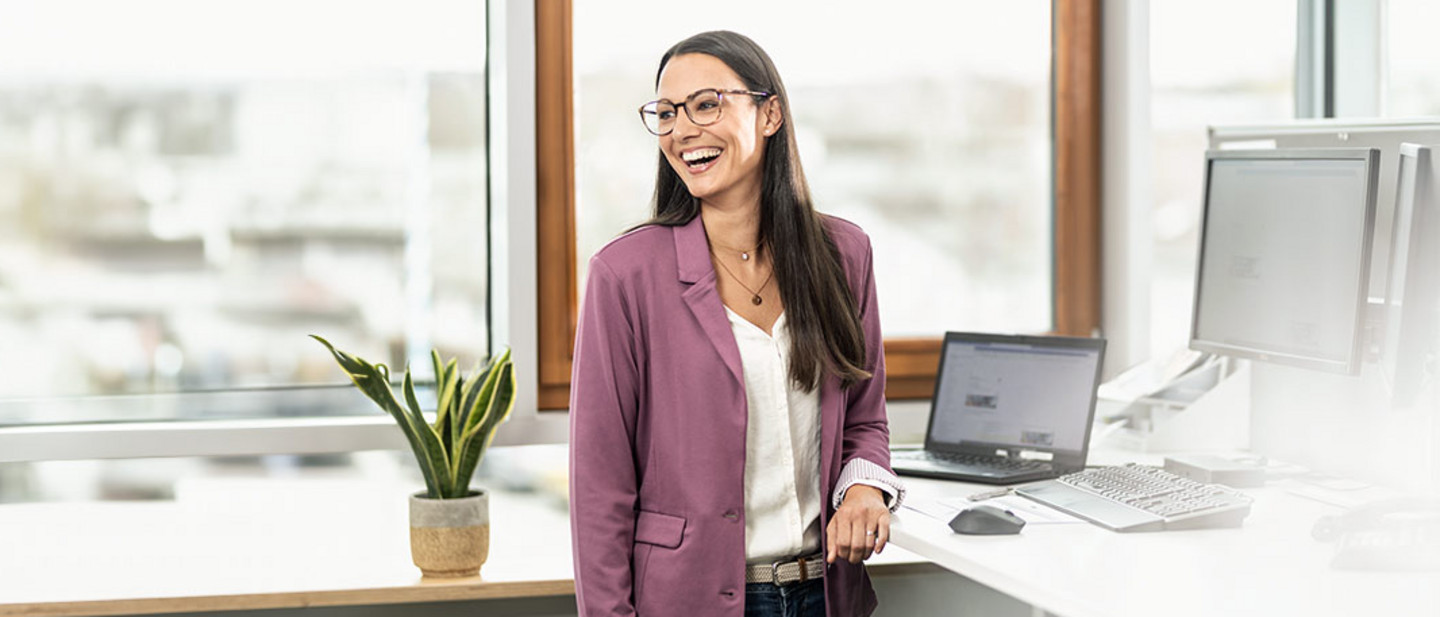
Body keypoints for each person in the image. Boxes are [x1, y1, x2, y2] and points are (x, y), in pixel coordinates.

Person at [569, 30, 905, 617]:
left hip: (824, 593)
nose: (682, 130)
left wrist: (864, 487)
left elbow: (865, 419)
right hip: (688, 600)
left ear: (769, 112)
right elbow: (600, 486)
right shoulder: (624, 275)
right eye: (667, 113)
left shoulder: (844, 255)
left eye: (706, 104)